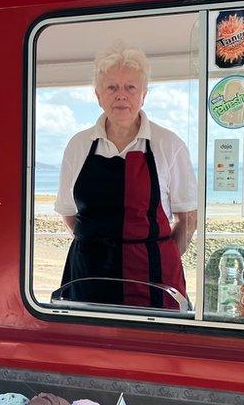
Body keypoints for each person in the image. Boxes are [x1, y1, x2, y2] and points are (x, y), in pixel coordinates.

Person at [55, 42, 197, 309]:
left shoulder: (169, 144)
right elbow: (68, 213)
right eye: (112, 87)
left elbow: (188, 218)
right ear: (98, 95)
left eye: (130, 87)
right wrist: (100, 245)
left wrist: (158, 253)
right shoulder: (78, 145)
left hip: (153, 278)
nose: (121, 95)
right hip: (89, 275)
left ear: (144, 94)